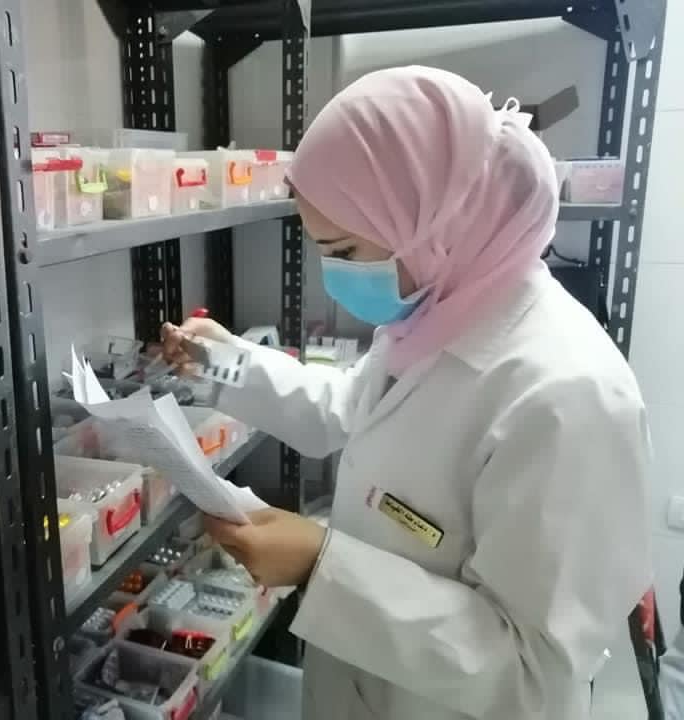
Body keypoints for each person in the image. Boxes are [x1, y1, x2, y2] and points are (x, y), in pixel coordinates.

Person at [162, 66, 651, 720]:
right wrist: (226, 363)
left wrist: (320, 565)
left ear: (438, 223)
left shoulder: (570, 396)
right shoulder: (439, 310)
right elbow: (350, 409)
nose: (335, 275)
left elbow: (533, 672)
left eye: (344, 249)